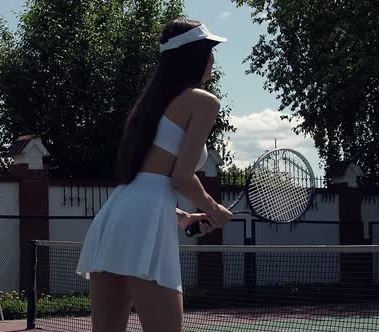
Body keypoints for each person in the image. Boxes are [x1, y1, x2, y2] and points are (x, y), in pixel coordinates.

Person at [76, 18, 233, 332]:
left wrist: (183, 216)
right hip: (144, 223)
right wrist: (214, 210)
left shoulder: (148, 105)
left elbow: (147, 179)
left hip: (114, 217)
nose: (213, 60)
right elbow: (180, 177)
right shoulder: (203, 102)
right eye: (209, 51)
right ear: (194, 56)